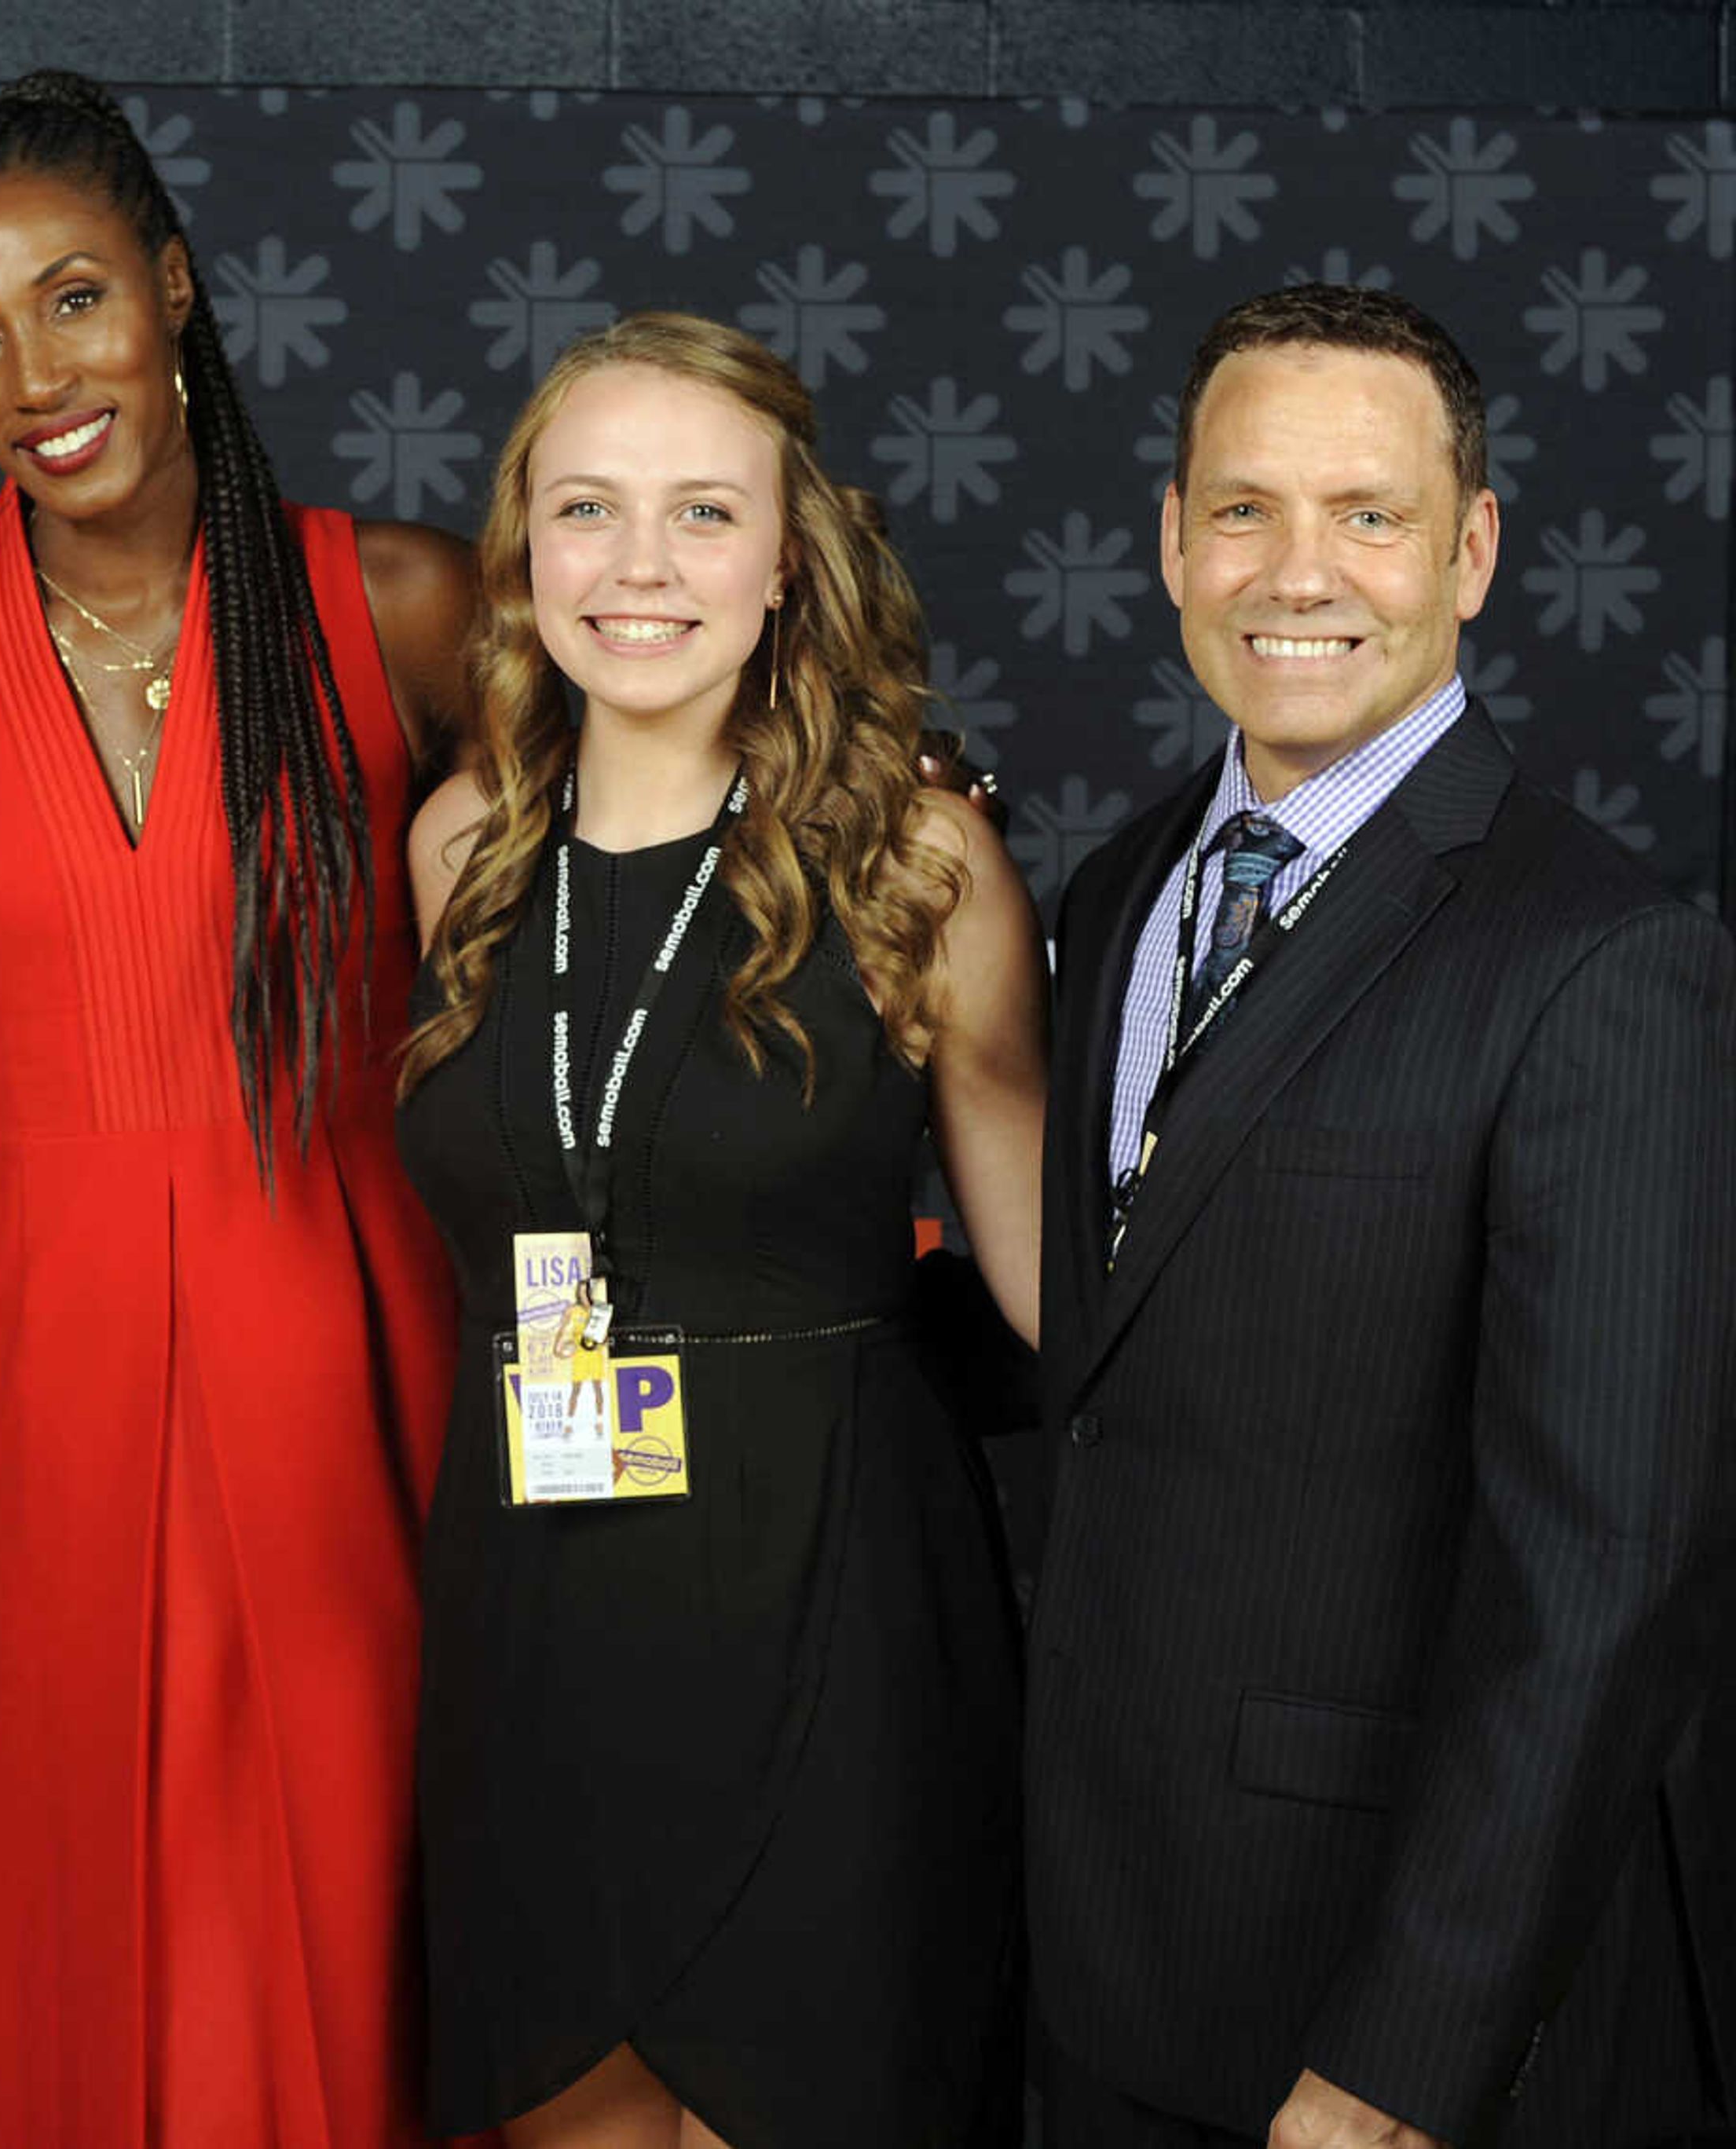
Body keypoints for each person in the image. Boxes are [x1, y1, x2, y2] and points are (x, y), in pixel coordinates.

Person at [0, 70, 475, 2147]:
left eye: (73, 300)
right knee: (64, 1937)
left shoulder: (399, 604)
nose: (30, 377)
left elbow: (639, 872)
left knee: (352, 1922)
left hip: (342, 1353)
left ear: (171, 287)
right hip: (20, 1384)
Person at [1030, 283, 1736, 2149]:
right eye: (1244, 507)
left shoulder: (1600, 959)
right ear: (1172, 539)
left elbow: (1603, 1582)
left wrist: (1401, 2056)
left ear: (1470, 550)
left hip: (1371, 1998)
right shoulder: (1115, 890)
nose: (1296, 569)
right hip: (1102, 1942)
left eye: (1367, 513)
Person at [394, 311, 1046, 2147]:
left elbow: (1062, 1292)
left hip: (837, 1612)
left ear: (785, 560)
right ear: (525, 553)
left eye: (701, 512)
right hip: (533, 1617)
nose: (640, 566)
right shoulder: (455, 848)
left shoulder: (918, 860)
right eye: (588, 509)